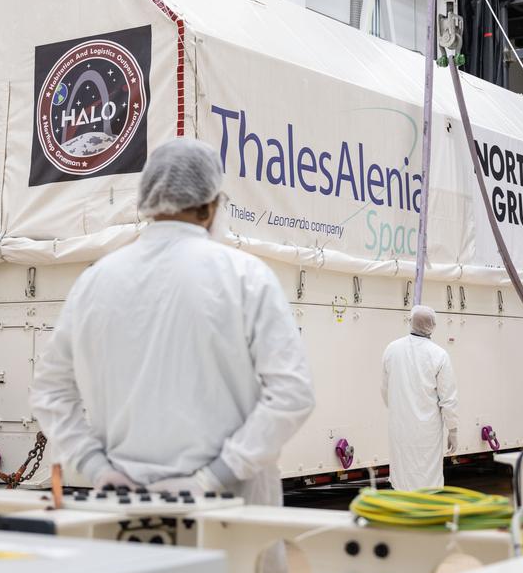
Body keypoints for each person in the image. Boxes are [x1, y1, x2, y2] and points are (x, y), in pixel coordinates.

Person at [30, 136, 315, 505]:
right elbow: (292, 395)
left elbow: (50, 391)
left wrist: (96, 467)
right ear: (210, 206)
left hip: (126, 508)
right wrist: (211, 477)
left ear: (147, 200)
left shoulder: (95, 280)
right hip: (232, 508)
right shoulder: (245, 276)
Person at [381, 304, 459, 491]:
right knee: (427, 477)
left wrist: (399, 409)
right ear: (433, 326)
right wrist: (453, 430)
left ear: (410, 322)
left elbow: (385, 390)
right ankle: (425, 512)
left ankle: (403, 510)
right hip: (428, 430)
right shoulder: (439, 354)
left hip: (399, 425)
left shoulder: (392, 349)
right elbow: (448, 399)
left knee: (402, 473)